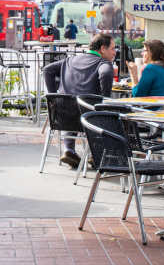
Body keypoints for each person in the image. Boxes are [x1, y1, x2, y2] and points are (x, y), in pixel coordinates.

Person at [42, 34, 117, 167]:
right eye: (112, 48)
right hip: (88, 119)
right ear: (102, 48)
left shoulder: (70, 60)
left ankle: (69, 149)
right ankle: (97, 155)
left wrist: (53, 95)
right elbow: (105, 73)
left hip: (63, 117)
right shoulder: (103, 63)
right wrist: (105, 98)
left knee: (73, 105)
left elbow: (47, 70)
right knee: (109, 115)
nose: (114, 52)